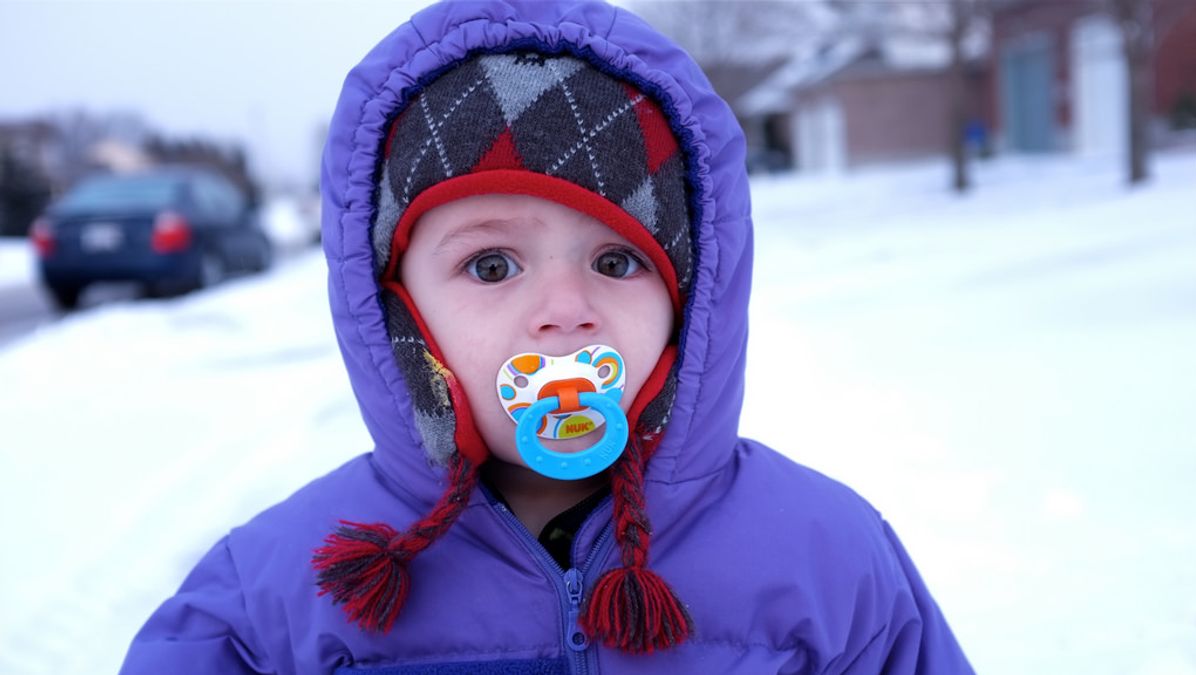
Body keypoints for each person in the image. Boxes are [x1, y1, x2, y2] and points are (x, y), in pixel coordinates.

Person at [120, 1, 974, 673]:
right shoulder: (273, 598)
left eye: (617, 260)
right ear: (398, 314)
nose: (565, 309)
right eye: (492, 266)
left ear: (692, 297)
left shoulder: (827, 556)